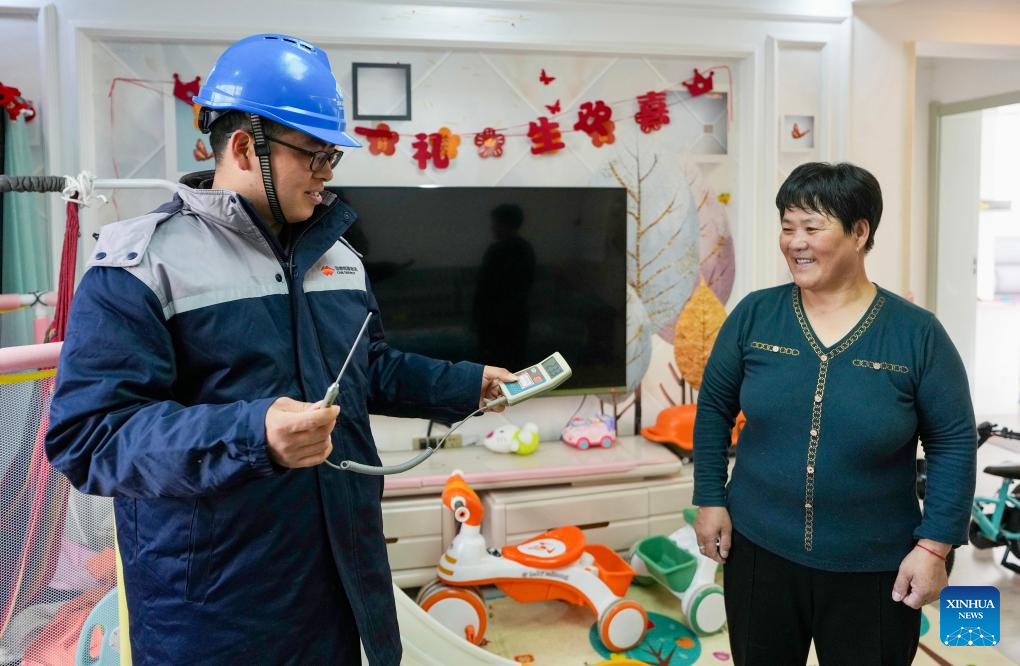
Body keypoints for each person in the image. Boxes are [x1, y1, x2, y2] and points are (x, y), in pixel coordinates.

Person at [44, 34, 515, 665]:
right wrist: (253, 434)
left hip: (344, 586)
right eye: (314, 156)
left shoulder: (338, 258)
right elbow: (91, 437)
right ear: (244, 147)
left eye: (331, 160)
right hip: (217, 616)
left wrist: (465, 385)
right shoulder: (138, 268)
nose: (326, 177)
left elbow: (366, 368)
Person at [692, 162, 976, 665]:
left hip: (875, 566)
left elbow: (952, 443)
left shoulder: (918, 334)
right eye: (786, 226)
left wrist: (934, 548)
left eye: (811, 227)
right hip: (759, 552)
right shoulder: (756, 316)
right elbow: (714, 407)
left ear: (860, 231)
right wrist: (711, 497)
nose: (794, 242)